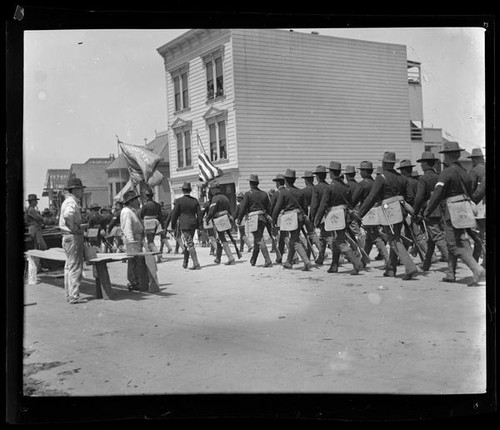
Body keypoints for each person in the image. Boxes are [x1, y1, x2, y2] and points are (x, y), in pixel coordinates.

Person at [424, 141, 485, 286]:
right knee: (459, 240)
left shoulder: (447, 172)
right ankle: (450, 273)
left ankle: (477, 269)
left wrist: (427, 211)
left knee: (452, 244)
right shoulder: (465, 172)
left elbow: (437, 194)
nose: (444, 159)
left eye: (445, 155)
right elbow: (471, 193)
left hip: (452, 210)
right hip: (465, 210)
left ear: (449, 156)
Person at [357, 152, 418, 280]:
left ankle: (410, 266)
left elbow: (372, 197)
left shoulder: (381, 177)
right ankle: (391, 269)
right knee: (394, 238)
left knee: (394, 240)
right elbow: (411, 197)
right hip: (401, 210)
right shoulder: (402, 178)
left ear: (384, 163)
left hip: (388, 210)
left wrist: (361, 213)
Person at [315, 161, 363, 275]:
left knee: (340, 242)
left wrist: (317, 219)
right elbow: (350, 203)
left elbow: (323, 205)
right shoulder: (345, 186)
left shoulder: (329, 187)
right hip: (345, 216)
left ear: (331, 173)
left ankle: (357, 263)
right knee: (335, 240)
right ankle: (334, 265)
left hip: (334, 217)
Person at [412, 151, 449, 272]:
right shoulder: (439, 176)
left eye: (422, 163)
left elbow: (419, 197)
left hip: (429, 210)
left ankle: (451, 261)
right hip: (441, 208)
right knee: (431, 239)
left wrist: (415, 211)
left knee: (437, 236)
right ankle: (426, 264)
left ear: (426, 164)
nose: (421, 165)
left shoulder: (423, 178)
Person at [272, 169, 312, 271]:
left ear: (285, 180)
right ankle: (289, 262)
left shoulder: (283, 192)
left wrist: (274, 220)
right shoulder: (300, 191)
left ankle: (306, 261)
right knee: (293, 239)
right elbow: (304, 208)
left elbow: (277, 208)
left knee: (295, 241)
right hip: (300, 218)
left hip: (290, 218)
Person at [351, 161, 389, 266]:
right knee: (369, 237)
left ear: (365, 172)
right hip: (379, 210)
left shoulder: (362, 184)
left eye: (361, 171)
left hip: (367, 211)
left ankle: (387, 258)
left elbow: (354, 199)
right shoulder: (376, 182)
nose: (360, 173)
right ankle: (364, 261)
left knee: (374, 236)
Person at [58, 177, 87, 304]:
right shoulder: (72, 202)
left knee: (69, 266)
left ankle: (69, 294)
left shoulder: (67, 201)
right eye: (80, 189)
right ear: (75, 190)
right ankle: (74, 296)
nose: (82, 191)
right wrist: (75, 227)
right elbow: (68, 215)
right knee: (75, 266)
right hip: (73, 236)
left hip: (66, 236)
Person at [236, 174, 273, 267]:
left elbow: (243, 208)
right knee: (257, 239)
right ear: (257, 183)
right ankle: (253, 260)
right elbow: (269, 208)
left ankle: (268, 260)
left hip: (253, 218)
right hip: (263, 218)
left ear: (250, 183)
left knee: (259, 239)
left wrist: (239, 219)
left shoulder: (248, 194)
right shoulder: (264, 194)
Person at [170, 182, 202, 270]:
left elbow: (174, 215)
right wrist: (200, 226)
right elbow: (199, 214)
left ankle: (196, 263)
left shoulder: (179, 201)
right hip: (193, 223)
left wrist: (173, 225)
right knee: (187, 242)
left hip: (184, 224)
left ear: (183, 190)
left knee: (189, 243)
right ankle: (185, 262)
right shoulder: (195, 200)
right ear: (190, 190)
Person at [120, 189, 148, 291]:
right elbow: (127, 229)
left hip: (137, 239)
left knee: (137, 262)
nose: (138, 201)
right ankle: (133, 282)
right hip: (133, 240)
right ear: (131, 201)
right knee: (134, 261)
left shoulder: (131, 211)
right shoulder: (127, 212)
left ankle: (136, 280)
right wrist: (132, 243)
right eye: (136, 199)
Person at [206, 181, 237, 265]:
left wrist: (207, 218)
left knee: (222, 239)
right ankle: (218, 258)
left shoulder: (215, 198)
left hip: (218, 220)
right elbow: (230, 210)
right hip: (226, 218)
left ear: (213, 190)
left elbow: (211, 210)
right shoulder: (225, 197)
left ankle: (231, 258)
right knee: (219, 239)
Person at [309, 165, 330, 265]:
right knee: (323, 237)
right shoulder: (329, 186)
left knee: (327, 237)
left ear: (317, 177)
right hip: (330, 214)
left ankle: (339, 257)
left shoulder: (316, 188)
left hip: (321, 216)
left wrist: (312, 217)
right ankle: (321, 257)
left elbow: (314, 205)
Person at [468, 147, 486, 265]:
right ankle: (477, 258)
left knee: (480, 235)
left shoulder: (475, 170)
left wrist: (471, 201)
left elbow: (471, 188)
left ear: (475, 159)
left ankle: (482, 260)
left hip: (479, 207)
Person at [300, 170, 322, 259]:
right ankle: (309, 254)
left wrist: (305, 215)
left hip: (308, 212)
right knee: (310, 234)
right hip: (318, 211)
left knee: (311, 233)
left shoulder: (304, 191)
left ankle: (321, 251)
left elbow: (304, 205)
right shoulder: (317, 188)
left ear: (306, 180)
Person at [140, 187, 164, 263]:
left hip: (148, 223)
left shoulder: (146, 205)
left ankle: (158, 254)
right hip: (155, 223)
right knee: (150, 240)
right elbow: (160, 216)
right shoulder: (157, 205)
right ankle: (150, 257)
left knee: (150, 241)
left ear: (147, 196)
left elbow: (141, 215)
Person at [270, 174, 288, 263]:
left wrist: (272, 219)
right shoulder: (288, 191)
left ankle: (294, 256)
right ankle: (280, 257)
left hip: (279, 217)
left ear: (277, 183)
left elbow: (272, 207)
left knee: (282, 237)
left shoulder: (277, 193)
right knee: (283, 237)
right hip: (288, 216)